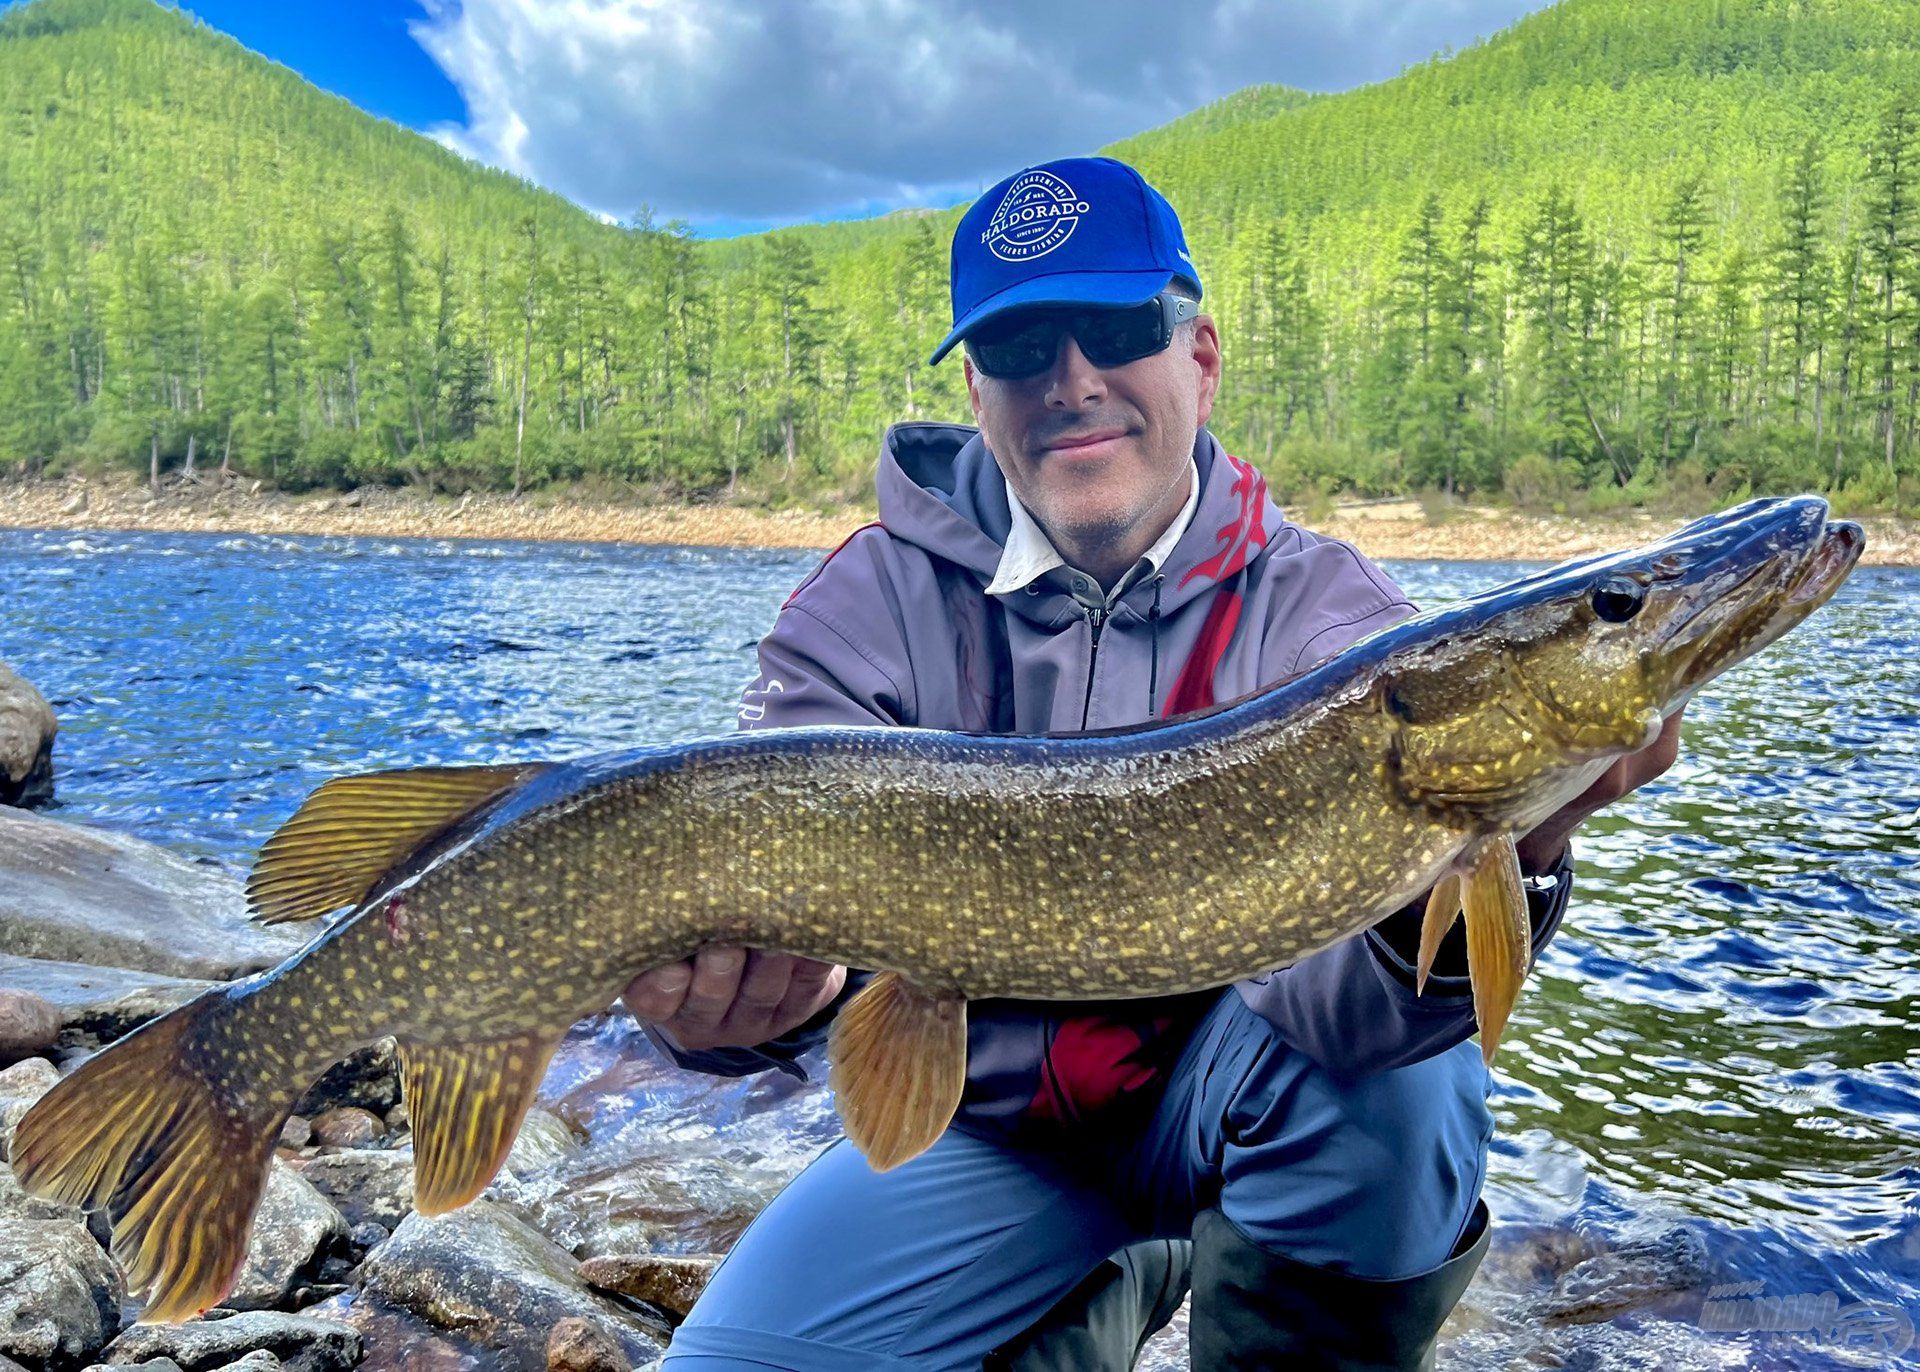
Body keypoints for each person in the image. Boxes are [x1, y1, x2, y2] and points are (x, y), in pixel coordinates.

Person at [621, 156, 1682, 1370]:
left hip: (1238, 1109)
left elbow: (1358, 1025)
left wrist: (1526, 845)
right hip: (988, 1140)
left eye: (1119, 327)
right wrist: (741, 1010)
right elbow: (752, 976)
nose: (1072, 381)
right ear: (978, 388)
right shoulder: (863, 604)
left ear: (1201, 356)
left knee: (1414, 1089)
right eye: (1022, 346)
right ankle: (1098, 1289)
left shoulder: (1330, 615)